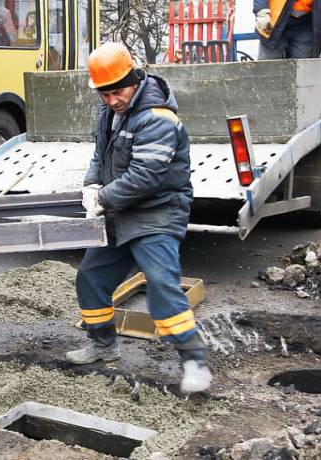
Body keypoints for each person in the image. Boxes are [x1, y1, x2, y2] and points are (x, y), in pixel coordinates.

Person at [66, 42, 212, 395]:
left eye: (117, 91)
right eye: (104, 94)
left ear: (133, 79)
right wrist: (91, 184)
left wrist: (104, 197)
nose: (112, 99)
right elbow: (100, 156)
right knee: (91, 277)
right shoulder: (109, 113)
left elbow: (147, 176)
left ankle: (194, 360)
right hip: (120, 211)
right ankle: (104, 345)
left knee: (162, 282)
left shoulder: (158, 118)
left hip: (156, 212)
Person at [254, 0, 321, 60]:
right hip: (274, 26)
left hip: (306, 28)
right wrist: (261, 12)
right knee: (268, 73)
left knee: (302, 75)